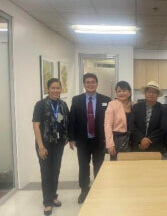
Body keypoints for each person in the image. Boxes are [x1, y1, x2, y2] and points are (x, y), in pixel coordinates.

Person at [68, 73, 111, 204]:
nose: (90, 84)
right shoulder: (77, 99)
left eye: (93, 82)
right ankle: (84, 190)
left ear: (97, 84)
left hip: (99, 140)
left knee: (99, 166)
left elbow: (110, 120)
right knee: (83, 166)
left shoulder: (106, 99)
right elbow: (72, 120)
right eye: (88, 82)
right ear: (84, 84)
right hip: (82, 140)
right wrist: (71, 138)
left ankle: (99, 189)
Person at [32, 78, 69, 216]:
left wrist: (65, 138)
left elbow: (65, 121)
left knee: (56, 170)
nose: (55, 90)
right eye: (53, 88)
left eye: (58, 88)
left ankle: (53, 196)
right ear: (48, 89)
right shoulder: (40, 105)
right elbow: (36, 124)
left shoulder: (63, 105)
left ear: (61, 89)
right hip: (45, 144)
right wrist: (41, 146)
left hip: (58, 144)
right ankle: (47, 202)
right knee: (46, 172)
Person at [132, 81, 167, 153]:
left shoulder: (162, 108)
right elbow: (132, 125)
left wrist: (147, 141)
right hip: (138, 145)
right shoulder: (136, 107)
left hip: (155, 145)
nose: (151, 94)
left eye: (154, 92)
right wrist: (141, 139)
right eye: (149, 91)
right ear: (145, 93)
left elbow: (162, 128)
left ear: (157, 95)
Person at [105, 81, 133, 160]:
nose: (121, 93)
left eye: (124, 91)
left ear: (129, 92)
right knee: (117, 167)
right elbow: (107, 125)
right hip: (118, 141)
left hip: (132, 141)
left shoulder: (134, 105)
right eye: (119, 91)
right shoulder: (112, 105)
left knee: (131, 166)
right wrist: (110, 145)